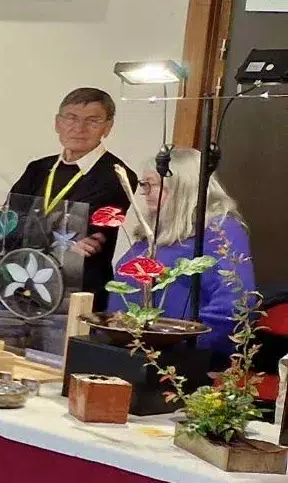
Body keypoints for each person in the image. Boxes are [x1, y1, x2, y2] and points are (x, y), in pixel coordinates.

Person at [108, 148, 252, 349]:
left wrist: (186, 344)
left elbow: (235, 303)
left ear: (182, 187)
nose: (145, 193)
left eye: (151, 185)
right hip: (131, 351)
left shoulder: (220, 230)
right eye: (144, 185)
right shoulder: (159, 230)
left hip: (175, 361)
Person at [9, 87, 135, 301]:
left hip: (75, 293)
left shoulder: (117, 176)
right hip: (18, 285)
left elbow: (79, 235)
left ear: (108, 127)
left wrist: (14, 221)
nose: (79, 128)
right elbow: (9, 225)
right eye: (71, 118)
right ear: (57, 123)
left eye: (92, 121)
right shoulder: (38, 169)